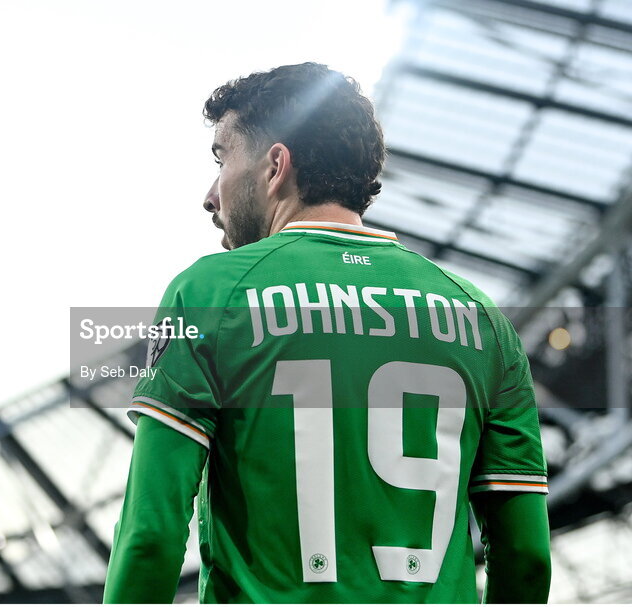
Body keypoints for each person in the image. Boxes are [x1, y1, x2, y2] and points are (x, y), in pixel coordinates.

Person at [102, 63, 551, 603]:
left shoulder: (208, 294)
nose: (210, 195)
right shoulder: (482, 317)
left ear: (275, 166)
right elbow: (525, 557)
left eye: (222, 159)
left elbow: (151, 537)